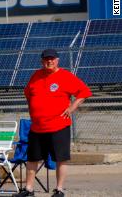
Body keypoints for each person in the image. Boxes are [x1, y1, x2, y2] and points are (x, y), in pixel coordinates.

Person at [13, 49, 92, 197]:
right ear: (41, 61)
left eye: (52, 59)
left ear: (57, 60)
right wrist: (33, 111)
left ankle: (59, 189)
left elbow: (84, 92)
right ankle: (29, 189)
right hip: (37, 127)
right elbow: (29, 94)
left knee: (60, 159)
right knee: (32, 158)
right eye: (46, 59)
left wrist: (71, 108)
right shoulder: (36, 76)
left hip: (58, 126)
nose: (49, 61)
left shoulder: (65, 76)